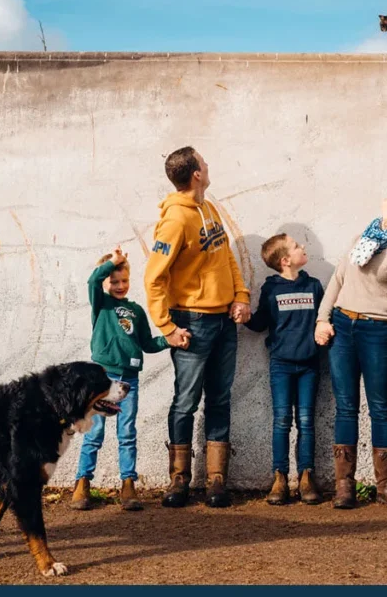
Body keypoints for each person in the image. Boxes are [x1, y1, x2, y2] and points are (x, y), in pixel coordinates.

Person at [144, 146, 251, 508]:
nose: (208, 164)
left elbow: (226, 258)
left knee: (220, 399)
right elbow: (154, 277)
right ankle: (179, 479)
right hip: (192, 323)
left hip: (224, 321)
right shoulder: (175, 220)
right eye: (204, 162)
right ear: (196, 175)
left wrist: (241, 295)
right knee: (186, 402)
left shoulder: (209, 209)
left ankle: (216, 480)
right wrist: (167, 327)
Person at [315, 185, 387, 509]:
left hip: (379, 331)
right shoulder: (363, 238)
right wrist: (322, 319)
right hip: (342, 328)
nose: (386, 195)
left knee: (381, 409)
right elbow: (338, 280)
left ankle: (386, 486)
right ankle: (344, 486)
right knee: (345, 408)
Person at [71, 246, 170, 512]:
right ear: (105, 282)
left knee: (127, 432)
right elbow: (92, 280)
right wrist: (111, 263)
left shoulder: (135, 310)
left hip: (130, 380)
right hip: (102, 379)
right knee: (94, 432)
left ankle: (128, 483)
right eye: (114, 281)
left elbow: (148, 343)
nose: (120, 285)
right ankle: (82, 482)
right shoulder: (101, 303)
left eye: (124, 280)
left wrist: (169, 340)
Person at [245, 233, 325, 505]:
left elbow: (324, 319)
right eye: (296, 246)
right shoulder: (272, 289)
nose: (303, 247)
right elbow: (260, 323)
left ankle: (306, 476)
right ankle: (280, 477)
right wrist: (244, 318)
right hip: (281, 364)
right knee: (281, 421)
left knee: (306, 421)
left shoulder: (314, 286)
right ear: (285, 260)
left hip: (310, 364)